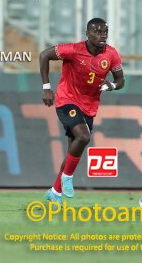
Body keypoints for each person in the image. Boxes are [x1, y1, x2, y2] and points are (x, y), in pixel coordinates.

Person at [39, 18, 125, 207]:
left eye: (105, 31)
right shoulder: (73, 49)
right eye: (97, 31)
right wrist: (46, 87)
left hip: (89, 105)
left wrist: (111, 85)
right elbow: (44, 55)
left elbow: (120, 80)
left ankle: (55, 192)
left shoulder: (111, 54)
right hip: (67, 99)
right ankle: (68, 178)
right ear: (87, 34)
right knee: (84, 137)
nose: (103, 35)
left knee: (74, 148)